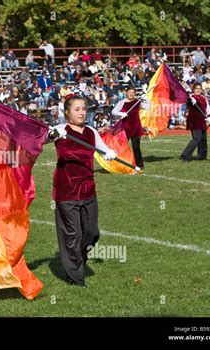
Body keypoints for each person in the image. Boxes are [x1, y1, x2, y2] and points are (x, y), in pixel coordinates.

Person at [48, 95, 117, 287]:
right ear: (67, 112)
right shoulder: (60, 130)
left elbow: (104, 150)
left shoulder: (91, 132)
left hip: (88, 190)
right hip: (66, 191)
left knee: (91, 233)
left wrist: (111, 154)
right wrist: (53, 134)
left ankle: (76, 261)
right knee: (72, 234)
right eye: (77, 109)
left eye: (84, 109)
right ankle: (76, 277)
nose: (82, 112)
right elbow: (43, 138)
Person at [112, 86, 149, 169]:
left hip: (136, 128)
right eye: (129, 92)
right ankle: (121, 164)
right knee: (123, 147)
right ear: (126, 93)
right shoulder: (122, 102)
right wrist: (121, 114)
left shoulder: (137, 102)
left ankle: (139, 165)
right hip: (125, 128)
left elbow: (148, 107)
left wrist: (146, 98)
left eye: (132, 93)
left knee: (136, 147)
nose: (131, 94)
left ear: (135, 93)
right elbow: (113, 111)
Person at [180, 83, 210, 161]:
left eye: (199, 88)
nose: (198, 90)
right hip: (194, 121)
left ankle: (202, 155)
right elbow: (187, 102)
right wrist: (191, 100)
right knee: (196, 138)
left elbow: (208, 110)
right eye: (196, 88)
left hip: (203, 121)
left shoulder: (204, 98)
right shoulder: (191, 97)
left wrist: (209, 118)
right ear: (193, 89)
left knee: (203, 139)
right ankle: (185, 155)